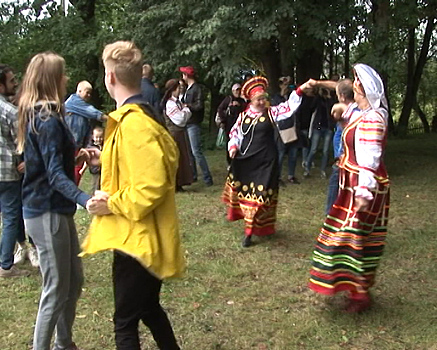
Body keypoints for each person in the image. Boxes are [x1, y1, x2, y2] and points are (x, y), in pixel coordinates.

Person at [82, 41, 185, 350]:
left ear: (110, 78)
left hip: (137, 239)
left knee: (125, 322)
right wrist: (103, 159)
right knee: (147, 308)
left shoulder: (134, 124)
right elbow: (144, 164)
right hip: (143, 236)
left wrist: (110, 203)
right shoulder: (139, 116)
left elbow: (150, 184)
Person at [18, 52, 92, 350]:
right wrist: (85, 199)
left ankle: (64, 344)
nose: (67, 80)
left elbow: (46, 163)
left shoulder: (48, 115)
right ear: (51, 80)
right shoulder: (46, 119)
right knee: (56, 289)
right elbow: (52, 176)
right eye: (62, 75)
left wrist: (76, 155)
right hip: (45, 211)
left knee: (72, 283)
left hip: (55, 210)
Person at [308, 64, 390, 313]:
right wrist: (342, 111)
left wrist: (363, 192)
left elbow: (370, 157)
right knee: (354, 239)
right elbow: (351, 113)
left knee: (353, 238)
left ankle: (359, 294)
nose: (351, 86)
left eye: (355, 83)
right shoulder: (361, 112)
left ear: (362, 91)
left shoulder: (373, 119)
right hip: (351, 184)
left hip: (364, 186)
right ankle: (355, 289)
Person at [222, 76, 313, 247]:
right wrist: (233, 146)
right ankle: (250, 230)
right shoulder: (243, 116)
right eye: (259, 99)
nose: (263, 102)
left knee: (262, 196)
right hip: (248, 160)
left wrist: (300, 90)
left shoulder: (272, 112)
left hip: (267, 161)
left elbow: (289, 107)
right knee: (248, 194)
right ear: (251, 100)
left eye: (264, 98)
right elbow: (235, 133)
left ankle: (257, 229)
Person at [0, 64, 29, 277]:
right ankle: (5, 265)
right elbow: (24, 142)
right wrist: (26, 160)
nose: (15, 83)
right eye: (11, 81)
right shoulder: (11, 111)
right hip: (8, 172)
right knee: (11, 217)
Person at [65, 80, 107, 184]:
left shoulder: (81, 108)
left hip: (77, 147)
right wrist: (111, 119)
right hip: (69, 146)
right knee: (72, 176)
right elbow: (93, 112)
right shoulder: (74, 102)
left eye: (90, 93)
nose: (89, 95)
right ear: (79, 90)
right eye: (86, 92)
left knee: (76, 176)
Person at [179, 65, 213, 186]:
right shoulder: (189, 88)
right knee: (190, 152)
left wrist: (188, 106)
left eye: (183, 74)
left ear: (187, 76)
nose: (182, 77)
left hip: (193, 123)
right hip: (188, 122)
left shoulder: (196, 88)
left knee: (196, 151)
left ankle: (207, 178)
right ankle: (193, 176)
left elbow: (199, 106)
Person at [160, 78, 194, 191]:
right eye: (178, 88)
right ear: (173, 89)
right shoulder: (170, 103)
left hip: (179, 133)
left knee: (182, 158)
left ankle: (180, 183)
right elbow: (179, 119)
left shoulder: (176, 102)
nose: (180, 90)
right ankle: (175, 184)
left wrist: (185, 112)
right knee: (176, 159)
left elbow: (184, 116)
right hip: (173, 134)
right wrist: (186, 111)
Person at [303, 87, 336, 179]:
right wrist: (318, 95)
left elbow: (333, 108)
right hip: (318, 127)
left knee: (325, 151)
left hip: (328, 127)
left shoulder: (331, 100)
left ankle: (323, 170)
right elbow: (311, 107)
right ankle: (307, 168)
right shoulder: (317, 99)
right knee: (313, 149)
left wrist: (329, 96)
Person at [216, 83, 246, 165]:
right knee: (230, 143)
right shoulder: (228, 99)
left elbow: (246, 111)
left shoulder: (242, 101)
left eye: (239, 90)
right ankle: (230, 162)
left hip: (240, 125)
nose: (238, 92)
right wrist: (223, 120)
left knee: (240, 142)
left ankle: (239, 161)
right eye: (236, 90)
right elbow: (220, 109)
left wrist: (240, 105)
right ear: (233, 91)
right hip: (229, 125)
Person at [79, 125, 104, 195]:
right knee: (95, 186)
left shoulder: (105, 145)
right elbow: (87, 160)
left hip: (103, 170)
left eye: (101, 137)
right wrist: (82, 169)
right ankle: (94, 198)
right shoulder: (91, 148)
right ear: (93, 137)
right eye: (97, 137)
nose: (98, 139)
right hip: (95, 171)